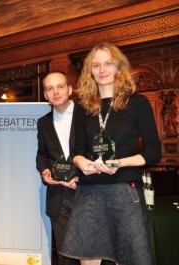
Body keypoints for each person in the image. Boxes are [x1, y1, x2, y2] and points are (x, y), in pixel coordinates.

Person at [60, 43, 161, 265]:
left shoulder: (137, 103)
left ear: (119, 67)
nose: (102, 69)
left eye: (108, 63)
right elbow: (76, 152)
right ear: (90, 71)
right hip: (89, 192)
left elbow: (154, 152)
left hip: (124, 190)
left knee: (126, 258)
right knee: (88, 259)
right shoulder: (84, 108)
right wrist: (82, 162)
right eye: (96, 65)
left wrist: (120, 163)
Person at [36, 70, 82, 265]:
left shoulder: (87, 115)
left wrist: (82, 176)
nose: (55, 92)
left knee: (91, 254)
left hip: (87, 193)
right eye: (50, 88)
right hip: (58, 197)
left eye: (60, 86)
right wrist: (44, 171)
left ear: (70, 89)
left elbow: (97, 152)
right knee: (65, 257)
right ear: (45, 95)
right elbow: (42, 155)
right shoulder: (43, 122)